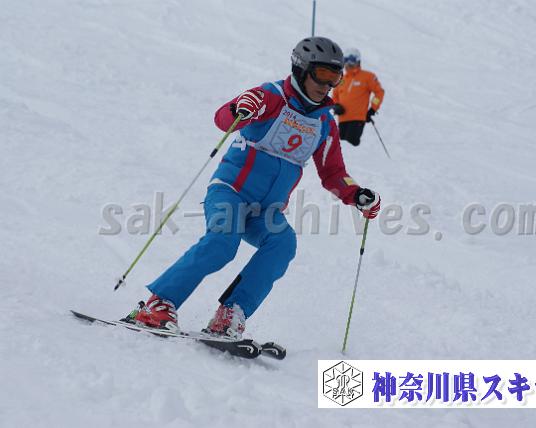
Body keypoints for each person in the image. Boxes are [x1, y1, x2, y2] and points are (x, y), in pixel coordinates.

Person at [125, 37, 381, 339]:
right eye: (322, 74)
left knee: (282, 244)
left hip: (266, 211)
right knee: (222, 243)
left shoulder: (324, 122)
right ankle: (157, 304)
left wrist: (356, 194)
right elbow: (224, 119)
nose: (327, 85)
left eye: (335, 78)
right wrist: (239, 108)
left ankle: (230, 313)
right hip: (230, 192)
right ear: (301, 70)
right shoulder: (271, 96)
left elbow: (333, 173)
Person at [331, 48, 385, 146]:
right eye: (346, 60)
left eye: (352, 60)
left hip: (357, 119)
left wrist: (373, 109)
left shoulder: (367, 77)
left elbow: (379, 93)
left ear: (358, 61)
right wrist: (336, 105)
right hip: (342, 118)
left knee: (351, 145)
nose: (349, 63)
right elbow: (335, 95)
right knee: (342, 148)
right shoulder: (342, 79)